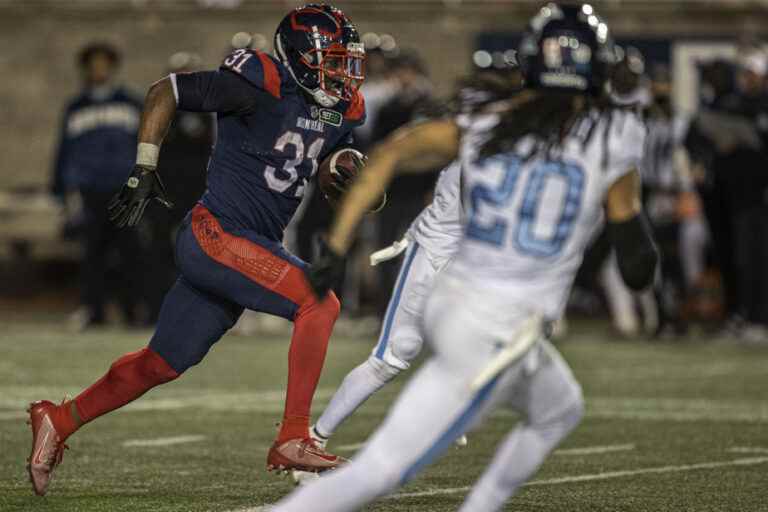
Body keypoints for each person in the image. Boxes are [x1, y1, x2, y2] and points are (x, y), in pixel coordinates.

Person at [275, 4, 658, 511]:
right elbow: (637, 263)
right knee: (383, 468)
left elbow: (391, 153)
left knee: (558, 409)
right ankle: (312, 450)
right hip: (492, 319)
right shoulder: (613, 134)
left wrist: (337, 247)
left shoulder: (482, 120)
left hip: (470, 296)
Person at [26, 3, 366, 496]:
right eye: (332, 60)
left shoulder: (341, 108)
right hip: (217, 233)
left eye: (345, 62)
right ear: (299, 56)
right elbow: (165, 90)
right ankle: (294, 435)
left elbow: (327, 153)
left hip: (247, 245)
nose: (342, 73)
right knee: (318, 302)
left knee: (162, 362)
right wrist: (143, 166)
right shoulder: (259, 78)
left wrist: (348, 168)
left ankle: (59, 418)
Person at [306, 67, 523, 456]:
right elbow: (399, 156)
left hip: (471, 259)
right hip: (437, 252)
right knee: (394, 355)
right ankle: (315, 436)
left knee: (496, 347)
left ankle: (444, 408)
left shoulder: (518, 145)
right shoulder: (467, 138)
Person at [51, 42, 144, 329]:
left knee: (130, 251)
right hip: (90, 189)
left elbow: (145, 145)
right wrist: (60, 189)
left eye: (104, 63)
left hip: (124, 190)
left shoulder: (131, 103)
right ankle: (94, 311)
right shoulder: (75, 107)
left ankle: (132, 311)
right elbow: (64, 150)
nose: (99, 69)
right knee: (93, 253)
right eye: (94, 64)